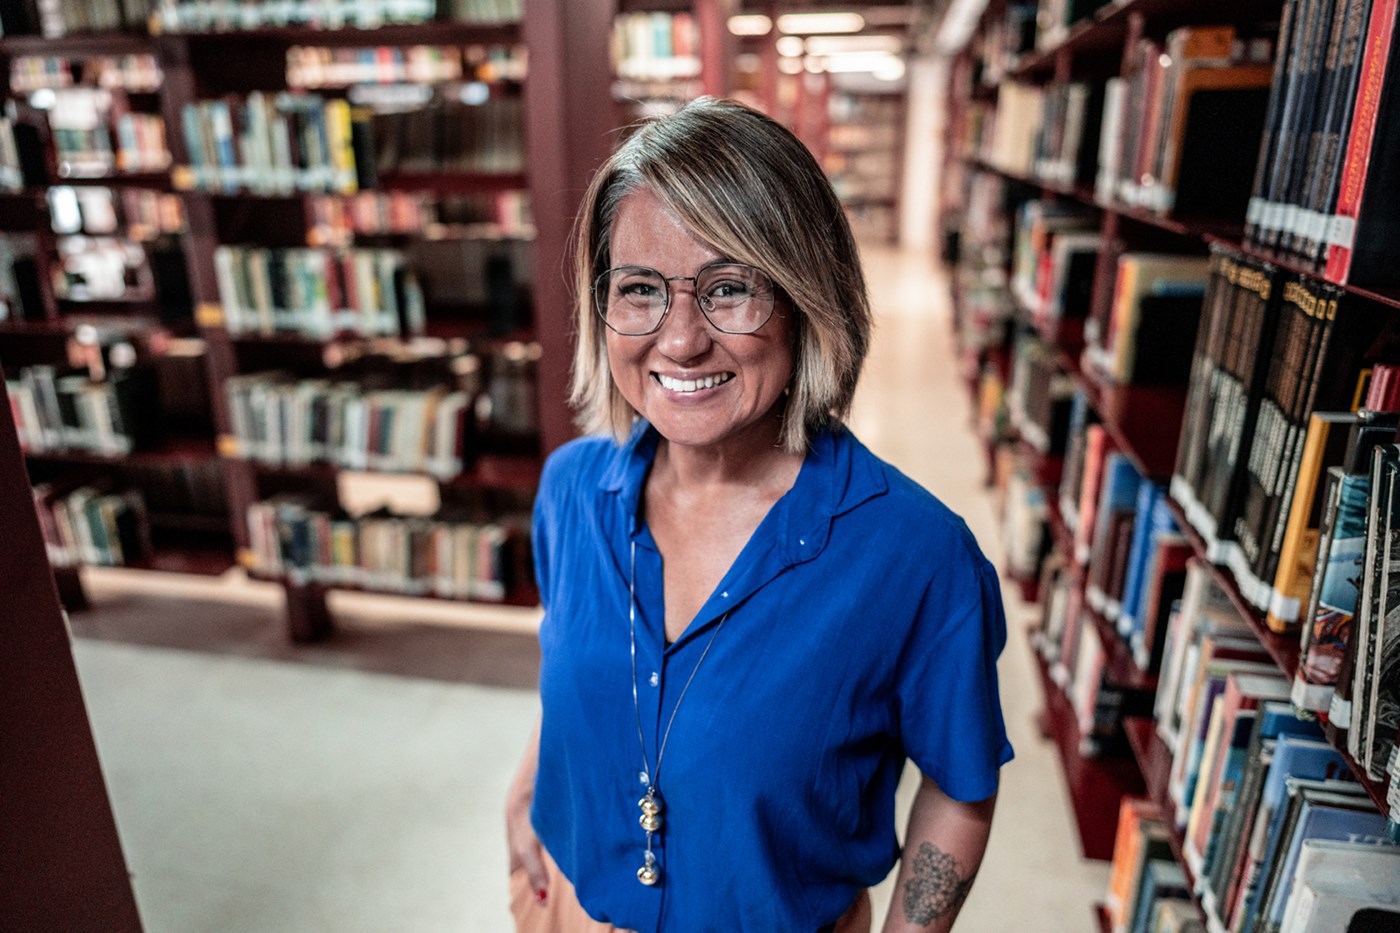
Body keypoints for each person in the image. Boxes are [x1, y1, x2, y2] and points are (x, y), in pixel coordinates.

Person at [505, 96, 1013, 933]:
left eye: (728, 289)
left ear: (808, 295)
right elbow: (587, 660)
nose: (679, 340)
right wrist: (527, 782)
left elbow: (961, 783)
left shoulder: (917, 557)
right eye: (639, 290)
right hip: (563, 906)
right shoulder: (570, 488)